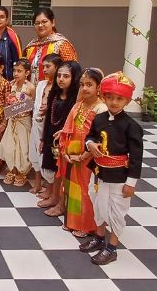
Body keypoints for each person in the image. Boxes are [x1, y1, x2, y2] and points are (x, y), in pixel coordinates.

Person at [79, 71, 143, 265]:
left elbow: (136, 157)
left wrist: (131, 183)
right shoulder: (99, 119)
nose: (114, 102)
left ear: (127, 101)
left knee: (117, 211)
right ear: (104, 97)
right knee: (98, 206)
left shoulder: (131, 126)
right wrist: (90, 144)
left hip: (119, 176)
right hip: (99, 173)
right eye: (110, 98)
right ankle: (99, 238)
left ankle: (112, 247)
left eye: (119, 99)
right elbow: (90, 136)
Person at [58, 68, 106, 238]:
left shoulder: (101, 108)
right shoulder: (78, 105)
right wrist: (64, 150)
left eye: (89, 85)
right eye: (82, 84)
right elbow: (67, 129)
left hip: (88, 157)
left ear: (98, 87)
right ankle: (73, 222)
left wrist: (82, 156)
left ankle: (87, 226)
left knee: (86, 191)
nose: (85, 88)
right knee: (72, 189)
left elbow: (99, 139)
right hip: (71, 155)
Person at [39, 60, 82, 216]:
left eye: (66, 76)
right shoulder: (55, 93)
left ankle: (62, 204)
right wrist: (43, 139)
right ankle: (54, 197)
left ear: (74, 77)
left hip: (68, 139)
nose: (61, 79)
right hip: (52, 137)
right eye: (59, 75)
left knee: (64, 172)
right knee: (54, 169)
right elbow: (48, 119)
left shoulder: (77, 97)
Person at [0, 59, 35, 187]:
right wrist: (4, 122)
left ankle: (21, 172)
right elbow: (6, 105)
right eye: (14, 71)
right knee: (10, 146)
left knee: (23, 147)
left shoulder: (30, 87)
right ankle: (12, 170)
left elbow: (33, 105)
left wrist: (23, 108)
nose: (16, 73)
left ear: (27, 73)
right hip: (12, 120)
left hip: (24, 121)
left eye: (19, 71)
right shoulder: (10, 85)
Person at [29, 54, 62, 195]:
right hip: (36, 124)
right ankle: (37, 184)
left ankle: (50, 189)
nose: (45, 70)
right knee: (34, 154)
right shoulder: (41, 84)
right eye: (43, 67)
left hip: (49, 127)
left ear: (57, 67)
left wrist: (48, 109)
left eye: (48, 66)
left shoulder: (59, 87)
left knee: (47, 157)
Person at [24, 8, 78, 82]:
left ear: (53, 22)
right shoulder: (31, 46)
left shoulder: (62, 44)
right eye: (37, 23)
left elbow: (72, 71)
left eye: (44, 22)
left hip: (54, 88)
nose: (40, 25)